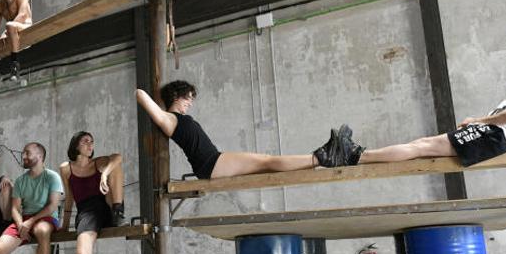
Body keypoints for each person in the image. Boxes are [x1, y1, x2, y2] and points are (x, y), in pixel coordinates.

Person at [345, 26, 506, 167]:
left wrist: (478, 120)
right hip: (495, 134)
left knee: (421, 148)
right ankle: (358, 153)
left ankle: (356, 155)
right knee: (422, 144)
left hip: (498, 138)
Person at [136, 81, 358, 179]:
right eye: (187, 98)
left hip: (213, 161)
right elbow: (139, 93)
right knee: (267, 161)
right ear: (175, 96)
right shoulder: (169, 119)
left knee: (268, 163)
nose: (190, 103)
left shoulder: (179, 118)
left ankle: (327, 156)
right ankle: (323, 156)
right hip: (210, 164)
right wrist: (160, 102)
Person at [58, 132, 125, 254]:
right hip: (86, 213)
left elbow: (118, 157)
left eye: (92, 141)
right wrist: (64, 225)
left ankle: (118, 211)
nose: (90, 144)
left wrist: (104, 174)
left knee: (114, 164)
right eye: (85, 141)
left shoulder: (98, 163)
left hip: (108, 206)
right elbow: (70, 198)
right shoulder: (66, 168)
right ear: (75, 145)